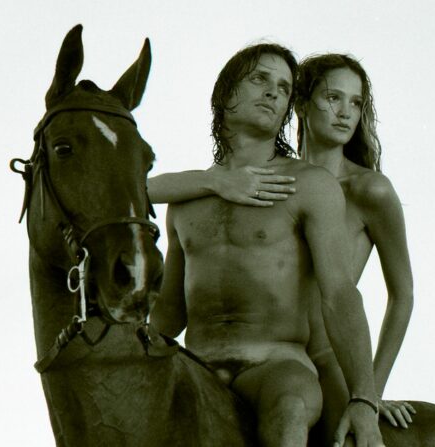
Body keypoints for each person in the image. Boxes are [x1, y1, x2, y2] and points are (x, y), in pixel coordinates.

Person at [150, 43, 384, 447]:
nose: (274, 92)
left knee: (289, 406)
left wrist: (365, 397)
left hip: (278, 367)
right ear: (226, 94)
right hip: (197, 368)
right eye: (260, 79)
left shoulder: (310, 186)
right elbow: (170, 313)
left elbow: (340, 295)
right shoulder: (185, 201)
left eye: (284, 87)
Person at [295, 53, 415, 444]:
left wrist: (369, 393)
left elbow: (402, 296)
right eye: (334, 98)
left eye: (356, 102)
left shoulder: (370, 191)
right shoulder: (279, 181)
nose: (346, 112)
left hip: (330, 361)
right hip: (271, 352)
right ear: (301, 104)